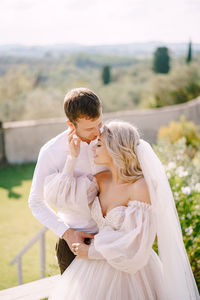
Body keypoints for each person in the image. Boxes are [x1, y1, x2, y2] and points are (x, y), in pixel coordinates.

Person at [44, 121, 200, 300]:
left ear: (115, 148)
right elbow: (61, 198)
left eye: (100, 143)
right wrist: (72, 158)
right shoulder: (101, 179)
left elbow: (136, 243)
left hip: (132, 274)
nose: (93, 146)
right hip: (93, 271)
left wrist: (91, 252)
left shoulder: (140, 187)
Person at [28, 87, 108, 273]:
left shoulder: (110, 137)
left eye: (100, 123)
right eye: (89, 128)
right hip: (73, 246)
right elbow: (35, 202)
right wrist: (67, 234)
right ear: (71, 125)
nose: (98, 132)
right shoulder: (51, 152)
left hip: (111, 240)